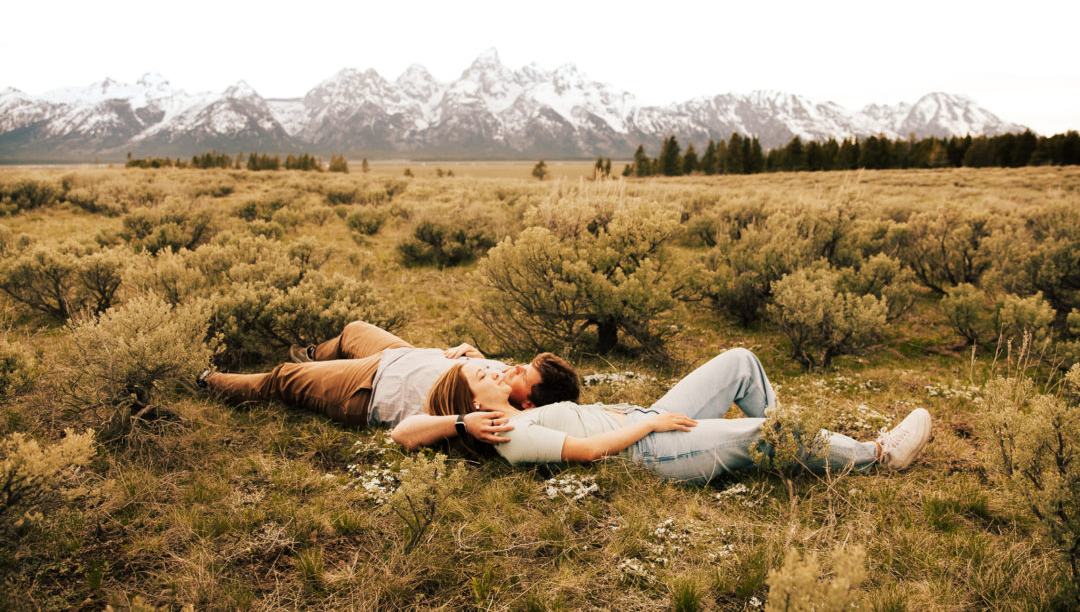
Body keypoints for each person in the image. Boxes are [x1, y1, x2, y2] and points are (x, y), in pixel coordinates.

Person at [392, 348, 932, 483]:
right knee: (763, 432)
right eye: (481, 377)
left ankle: (806, 447)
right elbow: (588, 451)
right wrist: (650, 425)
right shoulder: (507, 432)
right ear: (473, 404)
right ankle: (878, 456)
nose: (490, 370)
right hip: (648, 450)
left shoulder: (506, 407)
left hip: (645, 417)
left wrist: (460, 399)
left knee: (740, 363)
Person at [200, 321, 580, 436]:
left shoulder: (500, 418)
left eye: (522, 375)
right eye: (519, 364)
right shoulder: (504, 381)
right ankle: (316, 356)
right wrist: (477, 357)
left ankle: (208, 382)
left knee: (283, 378)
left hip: (370, 388)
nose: (512, 369)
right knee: (353, 331)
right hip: (404, 354)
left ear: (529, 402)